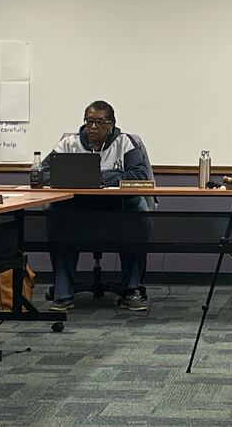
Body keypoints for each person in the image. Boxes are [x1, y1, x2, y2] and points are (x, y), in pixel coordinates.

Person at [42, 100, 151, 312]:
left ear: (111, 124)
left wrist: (102, 178)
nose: (93, 127)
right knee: (55, 214)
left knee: (140, 214)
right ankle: (62, 293)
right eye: (89, 122)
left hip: (119, 206)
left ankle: (132, 290)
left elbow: (139, 174)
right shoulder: (69, 144)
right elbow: (44, 172)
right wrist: (89, 179)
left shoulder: (125, 143)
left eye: (99, 122)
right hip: (76, 206)